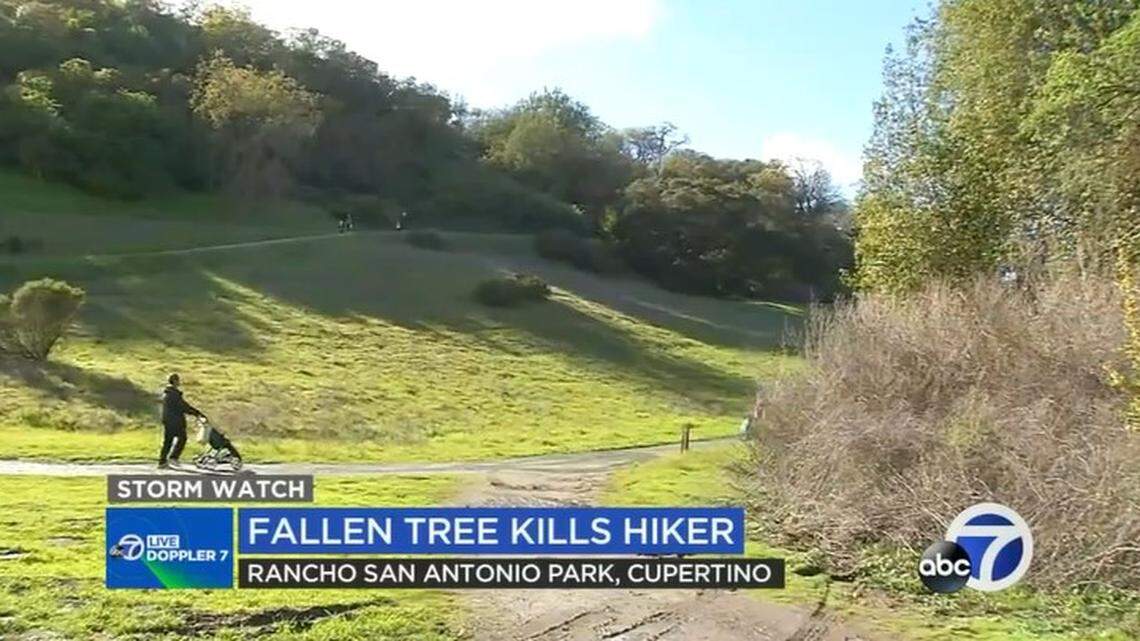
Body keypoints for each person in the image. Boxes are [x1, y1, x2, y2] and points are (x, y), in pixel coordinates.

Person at [159, 373, 204, 468]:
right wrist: (197, 413)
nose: (179, 382)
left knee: (168, 441)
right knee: (182, 438)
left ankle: (162, 461)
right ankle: (173, 458)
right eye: (178, 380)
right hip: (175, 420)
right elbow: (183, 407)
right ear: (175, 381)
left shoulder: (168, 393)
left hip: (168, 420)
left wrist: (195, 412)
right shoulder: (173, 394)